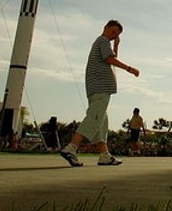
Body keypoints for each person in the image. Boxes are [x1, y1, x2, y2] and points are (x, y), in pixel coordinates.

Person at [60, 19, 140, 167]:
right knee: (94, 118)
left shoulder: (105, 44)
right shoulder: (102, 41)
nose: (113, 35)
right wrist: (130, 69)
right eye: (113, 31)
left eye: (116, 34)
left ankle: (104, 155)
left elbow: (112, 57)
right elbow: (110, 59)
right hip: (99, 88)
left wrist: (116, 45)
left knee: (102, 122)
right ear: (106, 27)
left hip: (99, 88)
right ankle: (71, 148)